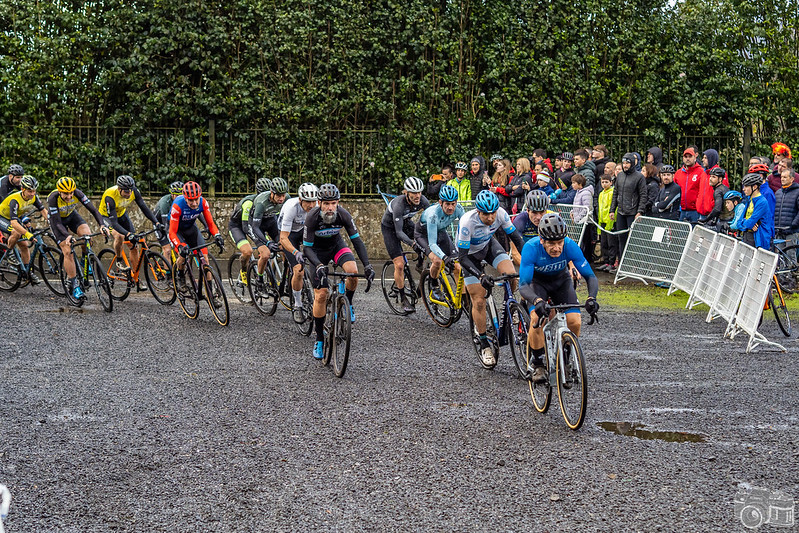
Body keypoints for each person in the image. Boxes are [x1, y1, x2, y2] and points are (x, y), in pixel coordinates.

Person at [519, 213, 599, 384]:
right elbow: (523, 285)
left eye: (559, 243)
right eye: (552, 244)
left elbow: (590, 277)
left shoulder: (570, 246)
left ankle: (566, 358)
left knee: (575, 321)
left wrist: (592, 298)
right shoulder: (531, 248)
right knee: (537, 318)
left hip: (560, 281)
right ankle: (538, 363)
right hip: (537, 283)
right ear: (542, 240)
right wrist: (537, 301)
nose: (557, 248)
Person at [304, 184, 375, 360]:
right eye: (326, 204)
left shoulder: (343, 214)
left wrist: (367, 266)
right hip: (316, 253)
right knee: (321, 294)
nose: (330, 208)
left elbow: (357, 241)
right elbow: (306, 249)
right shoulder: (312, 217)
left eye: (334, 203)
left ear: (338, 203)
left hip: (336, 246)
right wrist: (319, 266)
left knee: (353, 272)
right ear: (319, 202)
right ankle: (319, 339)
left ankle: (348, 303)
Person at [456, 190, 524, 367]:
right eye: (486, 214)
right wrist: (480, 275)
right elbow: (462, 258)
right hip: (470, 257)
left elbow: (517, 238)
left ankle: (510, 304)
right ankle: (484, 343)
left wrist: (528, 262)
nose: (491, 217)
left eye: (493, 212)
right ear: (478, 211)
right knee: (478, 300)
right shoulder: (467, 222)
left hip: (488, 246)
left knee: (510, 274)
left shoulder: (501, 213)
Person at [48, 177, 110, 300]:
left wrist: (102, 225)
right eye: (66, 193)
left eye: (71, 193)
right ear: (59, 191)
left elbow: (93, 210)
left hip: (72, 216)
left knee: (87, 235)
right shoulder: (52, 198)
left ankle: (84, 260)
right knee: (67, 250)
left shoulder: (77, 193)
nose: (69, 196)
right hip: (57, 221)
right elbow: (58, 223)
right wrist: (67, 236)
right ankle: (74, 283)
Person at [169, 181, 225, 305]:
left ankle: (211, 295)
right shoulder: (178, 205)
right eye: (191, 200)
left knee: (205, 259)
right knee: (182, 255)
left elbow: (210, 223)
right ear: (185, 198)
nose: (194, 203)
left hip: (191, 229)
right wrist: (179, 246)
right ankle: (181, 277)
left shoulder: (203, 202)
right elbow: (172, 232)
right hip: (178, 231)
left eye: (196, 199)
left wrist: (217, 235)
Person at [380, 176, 429, 313]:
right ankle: (403, 299)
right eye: (414, 193)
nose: (417, 195)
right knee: (400, 264)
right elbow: (399, 233)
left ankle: (419, 265)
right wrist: (412, 244)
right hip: (391, 228)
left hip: (406, 223)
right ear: (406, 192)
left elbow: (431, 218)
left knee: (424, 243)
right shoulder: (399, 205)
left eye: (419, 192)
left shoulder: (423, 200)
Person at [99, 175, 162, 274]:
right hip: (106, 217)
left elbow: (144, 208)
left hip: (122, 214)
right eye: (126, 192)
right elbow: (114, 223)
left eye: (130, 191)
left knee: (134, 245)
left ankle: (135, 276)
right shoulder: (110, 196)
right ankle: (119, 261)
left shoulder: (134, 191)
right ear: (119, 189)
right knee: (119, 236)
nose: (129, 194)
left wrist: (156, 222)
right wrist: (128, 234)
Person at [278, 182, 319, 321]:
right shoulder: (291, 207)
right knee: (298, 270)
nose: (312, 205)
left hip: (305, 231)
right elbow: (283, 238)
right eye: (308, 202)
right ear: (300, 200)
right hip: (289, 233)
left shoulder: (318, 207)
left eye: (314, 201)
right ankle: (297, 305)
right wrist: (296, 252)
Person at [415, 185, 463, 301]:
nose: (451, 208)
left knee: (457, 266)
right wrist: (445, 257)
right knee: (437, 260)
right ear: (440, 202)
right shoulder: (433, 215)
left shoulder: (459, 209)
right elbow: (432, 244)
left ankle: (463, 299)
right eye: (447, 204)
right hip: (423, 236)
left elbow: (464, 231)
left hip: (440, 232)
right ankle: (434, 285)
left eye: (453, 203)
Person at [0, 175, 49, 283]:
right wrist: (27, 234)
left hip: (13, 218)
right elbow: (14, 223)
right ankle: (8, 253)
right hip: (2, 217)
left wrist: (52, 223)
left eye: (34, 191)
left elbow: (43, 211)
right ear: (22, 189)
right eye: (29, 191)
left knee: (24, 245)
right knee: (16, 233)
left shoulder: (34, 197)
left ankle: (27, 272)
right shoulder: (15, 199)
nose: (32, 194)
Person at [246, 177, 288, 296]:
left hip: (271, 222)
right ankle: (259, 282)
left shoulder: (287, 199)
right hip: (257, 226)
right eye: (278, 196)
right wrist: (268, 243)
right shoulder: (261, 202)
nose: (281, 199)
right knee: (265, 254)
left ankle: (285, 280)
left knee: (287, 249)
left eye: (283, 195)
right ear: (272, 193)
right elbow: (255, 227)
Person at [228, 177, 272, 286]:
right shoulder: (249, 203)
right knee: (248, 251)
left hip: (254, 224)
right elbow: (245, 227)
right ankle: (243, 270)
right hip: (237, 226)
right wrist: (260, 240)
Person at [609, 153, 647, 256]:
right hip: (621, 212)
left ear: (633, 164)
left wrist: (640, 211)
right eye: (623, 163)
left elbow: (643, 195)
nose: (625, 165)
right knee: (621, 239)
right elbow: (615, 193)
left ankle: (633, 264)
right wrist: (612, 210)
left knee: (634, 240)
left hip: (633, 212)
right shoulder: (620, 175)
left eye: (627, 163)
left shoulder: (639, 177)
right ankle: (621, 263)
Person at [510, 190, 551, 265]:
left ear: (546, 211)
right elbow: (515, 253)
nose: (538, 217)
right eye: (534, 212)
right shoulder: (520, 221)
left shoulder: (551, 219)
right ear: (528, 210)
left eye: (542, 212)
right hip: (527, 255)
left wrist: (572, 265)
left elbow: (566, 245)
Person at [152, 181, 185, 261]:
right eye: (177, 195)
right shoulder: (165, 203)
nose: (179, 198)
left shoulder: (184, 201)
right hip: (160, 223)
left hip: (172, 222)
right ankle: (168, 272)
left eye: (181, 195)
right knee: (167, 249)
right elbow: (166, 224)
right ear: (172, 194)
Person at [739, 173, 773, 249]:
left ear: (754, 187)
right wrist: (745, 223)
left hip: (758, 239)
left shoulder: (762, 202)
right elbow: (739, 222)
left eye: (746, 186)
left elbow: (750, 223)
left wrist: (745, 223)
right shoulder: (749, 200)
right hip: (747, 236)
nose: (743, 189)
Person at [674, 147, 707, 223]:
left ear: (695, 157)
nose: (687, 159)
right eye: (685, 157)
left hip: (695, 211)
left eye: (690, 156)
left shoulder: (701, 172)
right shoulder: (678, 173)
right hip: (681, 210)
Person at [596, 175, 618, 272]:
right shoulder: (601, 194)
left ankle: (612, 262)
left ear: (611, 182)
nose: (604, 184)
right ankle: (606, 261)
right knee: (604, 243)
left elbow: (613, 207)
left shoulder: (612, 193)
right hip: (602, 221)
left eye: (606, 182)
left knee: (611, 243)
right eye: (602, 182)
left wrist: (611, 221)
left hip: (610, 221)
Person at [773, 169, 799, 245]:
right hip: (779, 230)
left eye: (785, 177)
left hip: (791, 231)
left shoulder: (797, 192)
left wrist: (794, 224)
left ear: (792, 179)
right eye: (781, 177)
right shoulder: (778, 193)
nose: (782, 179)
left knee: (790, 254)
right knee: (780, 255)